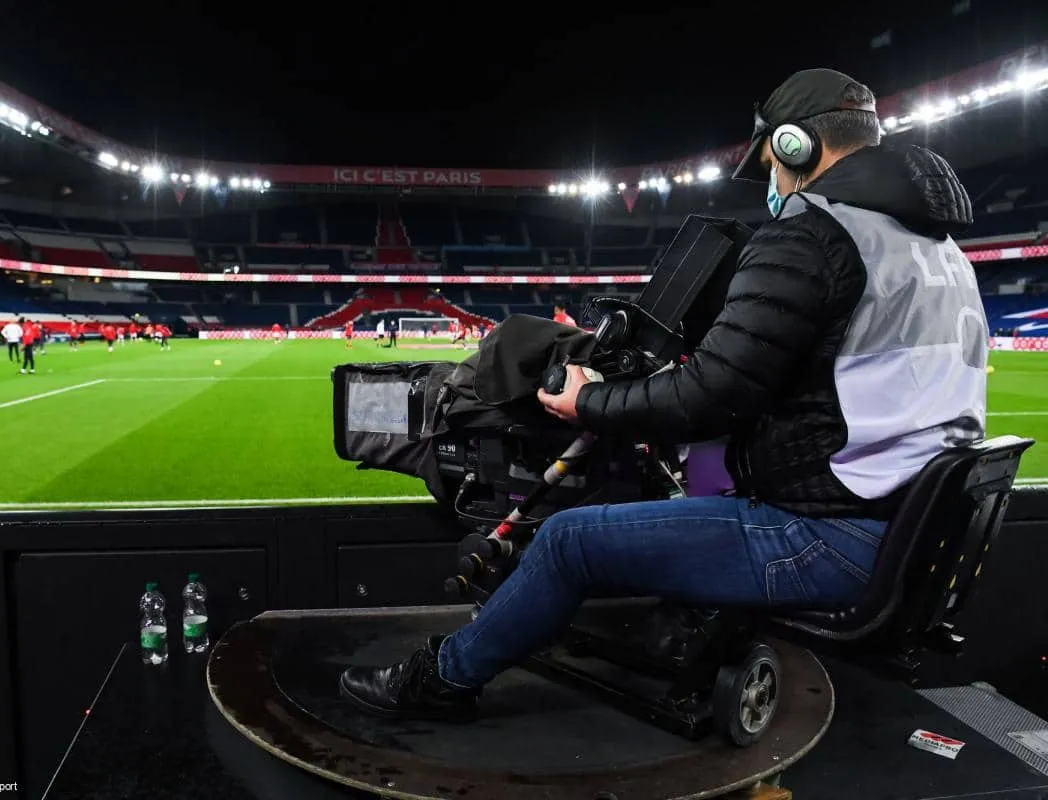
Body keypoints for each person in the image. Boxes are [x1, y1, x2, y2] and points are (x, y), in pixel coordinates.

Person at [339, 68, 985, 720]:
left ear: (795, 146)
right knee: (699, 483)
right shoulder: (938, 249)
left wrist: (587, 401)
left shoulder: (812, 234)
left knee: (568, 541)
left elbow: (710, 392)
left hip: (829, 541)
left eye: (771, 165)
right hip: (914, 538)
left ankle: (442, 683)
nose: (773, 183)